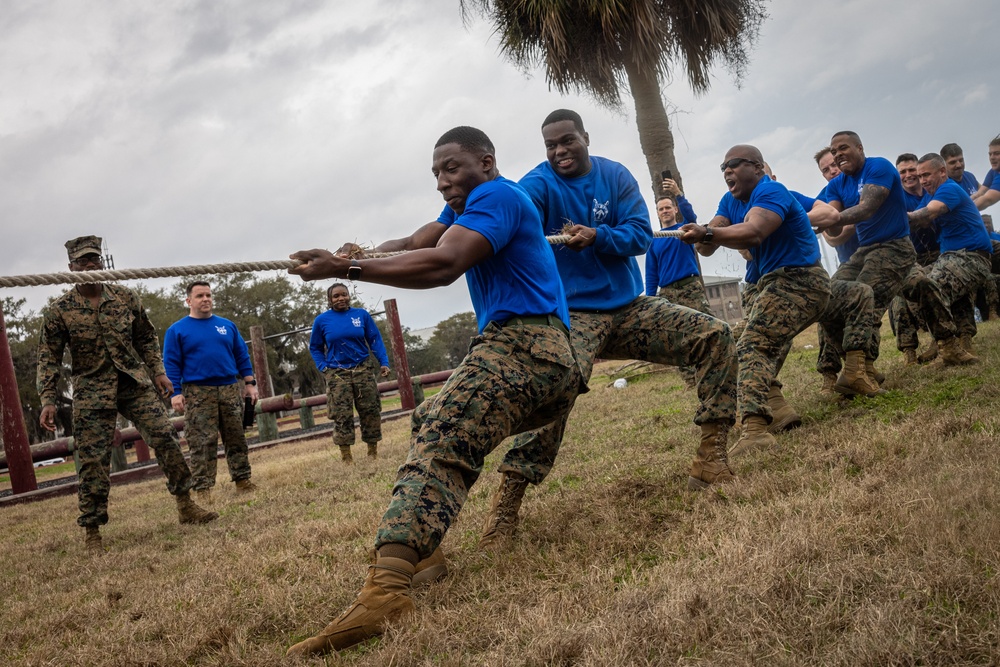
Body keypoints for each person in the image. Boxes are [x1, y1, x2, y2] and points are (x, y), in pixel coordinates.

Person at [284, 126, 585, 657]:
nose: (444, 181)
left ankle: (386, 591)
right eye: (437, 173)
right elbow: (419, 242)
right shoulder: (468, 207)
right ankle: (426, 558)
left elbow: (445, 265)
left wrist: (347, 269)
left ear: (486, 162)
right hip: (534, 355)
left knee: (445, 430)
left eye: (453, 168)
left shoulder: (499, 195)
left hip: (529, 346)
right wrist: (365, 252)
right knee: (430, 420)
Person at [36, 236, 217, 554]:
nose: (90, 265)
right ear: (71, 267)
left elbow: (146, 336)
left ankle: (185, 505)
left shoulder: (124, 297)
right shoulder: (60, 311)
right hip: (92, 390)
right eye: (83, 261)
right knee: (93, 461)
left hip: (133, 382)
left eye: (94, 259)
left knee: (165, 436)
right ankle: (92, 531)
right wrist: (48, 399)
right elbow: (48, 357)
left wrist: (158, 371)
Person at [680, 145, 831, 455]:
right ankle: (776, 406)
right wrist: (704, 233)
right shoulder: (729, 201)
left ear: (758, 167)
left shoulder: (772, 191)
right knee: (731, 342)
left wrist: (708, 233)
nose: (726, 171)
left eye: (734, 164)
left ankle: (755, 429)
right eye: (723, 167)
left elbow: (754, 232)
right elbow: (707, 246)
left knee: (754, 342)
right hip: (768, 284)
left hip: (800, 280)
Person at [820, 131, 917, 389]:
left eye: (843, 148)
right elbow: (832, 217)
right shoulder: (836, 185)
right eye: (834, 151)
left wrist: (830, 220)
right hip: (864, 250)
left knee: (865, 297)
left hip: (895, 246)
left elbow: (866, 208)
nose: (838, 154)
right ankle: (862, 368)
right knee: (825, 297)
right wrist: (823, 221)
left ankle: (857, 369)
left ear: (860, 148)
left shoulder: (879, 167)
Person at [162, 281, 258, 501]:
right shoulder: (177, 330)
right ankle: (204, 489)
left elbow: (241, 355)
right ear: (189, 301)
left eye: (208, 295)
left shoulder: (226, 325)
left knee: (236, 437)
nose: (205, 299)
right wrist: (175, 393)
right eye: (199, 296)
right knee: (201, 441)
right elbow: (172, 364)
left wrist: (250, 383)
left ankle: (243, 480)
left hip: (229, 388)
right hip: (197, 392)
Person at [907, 153, 992, 364]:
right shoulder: (929, 195)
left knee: (933, 285)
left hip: (972, 256)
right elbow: (919, 218)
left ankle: (945, 343)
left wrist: (896, 218)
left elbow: (929, 212)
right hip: (951, 257)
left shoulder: (949, 188)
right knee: (917, 283)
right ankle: (959, 341)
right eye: (920, 176)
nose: (923, 180)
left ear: (942, 172)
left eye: (927, 174)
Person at [309, 283, 391, 461]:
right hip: (337, 374)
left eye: (344, 295)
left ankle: (372, 452)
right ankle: (346, 456)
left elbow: (375, 339)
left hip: (363, 369)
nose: (341, 299)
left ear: (349, 296)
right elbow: (315, 347)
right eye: (336, 296)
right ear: (330, 300)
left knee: (370, 411)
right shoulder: (322, 320)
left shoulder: (361, 315)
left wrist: (383, 362)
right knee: (342, 414)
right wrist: (323, 367)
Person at [644, 180, 713, 389]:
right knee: (677, 338)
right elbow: (651, 274)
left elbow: (693, 219)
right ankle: (691, 382)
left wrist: (679, 194)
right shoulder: (654, 239)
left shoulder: (685, 230)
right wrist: (651, 301)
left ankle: (711, 371)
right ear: (657, 213)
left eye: (667, 207)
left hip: (690, 287)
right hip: (667, 293)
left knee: (707, 328)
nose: (664, 211)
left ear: (675, 210)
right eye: (660, 209)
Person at [888, 154, 941, 365]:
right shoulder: (897, 198)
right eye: (903, 171)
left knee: (934, 282)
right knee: (899, 296)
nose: (908, 175)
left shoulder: (932, 192)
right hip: (913, 258)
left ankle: (940, 339)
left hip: (939, 253)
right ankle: (909, 352)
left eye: (912, 170)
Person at [971, 135, 1000, 211]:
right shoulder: (994, 172)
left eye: (997, 153)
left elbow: (987, 200)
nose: (992, 157)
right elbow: (979, 194)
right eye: (990, 154)